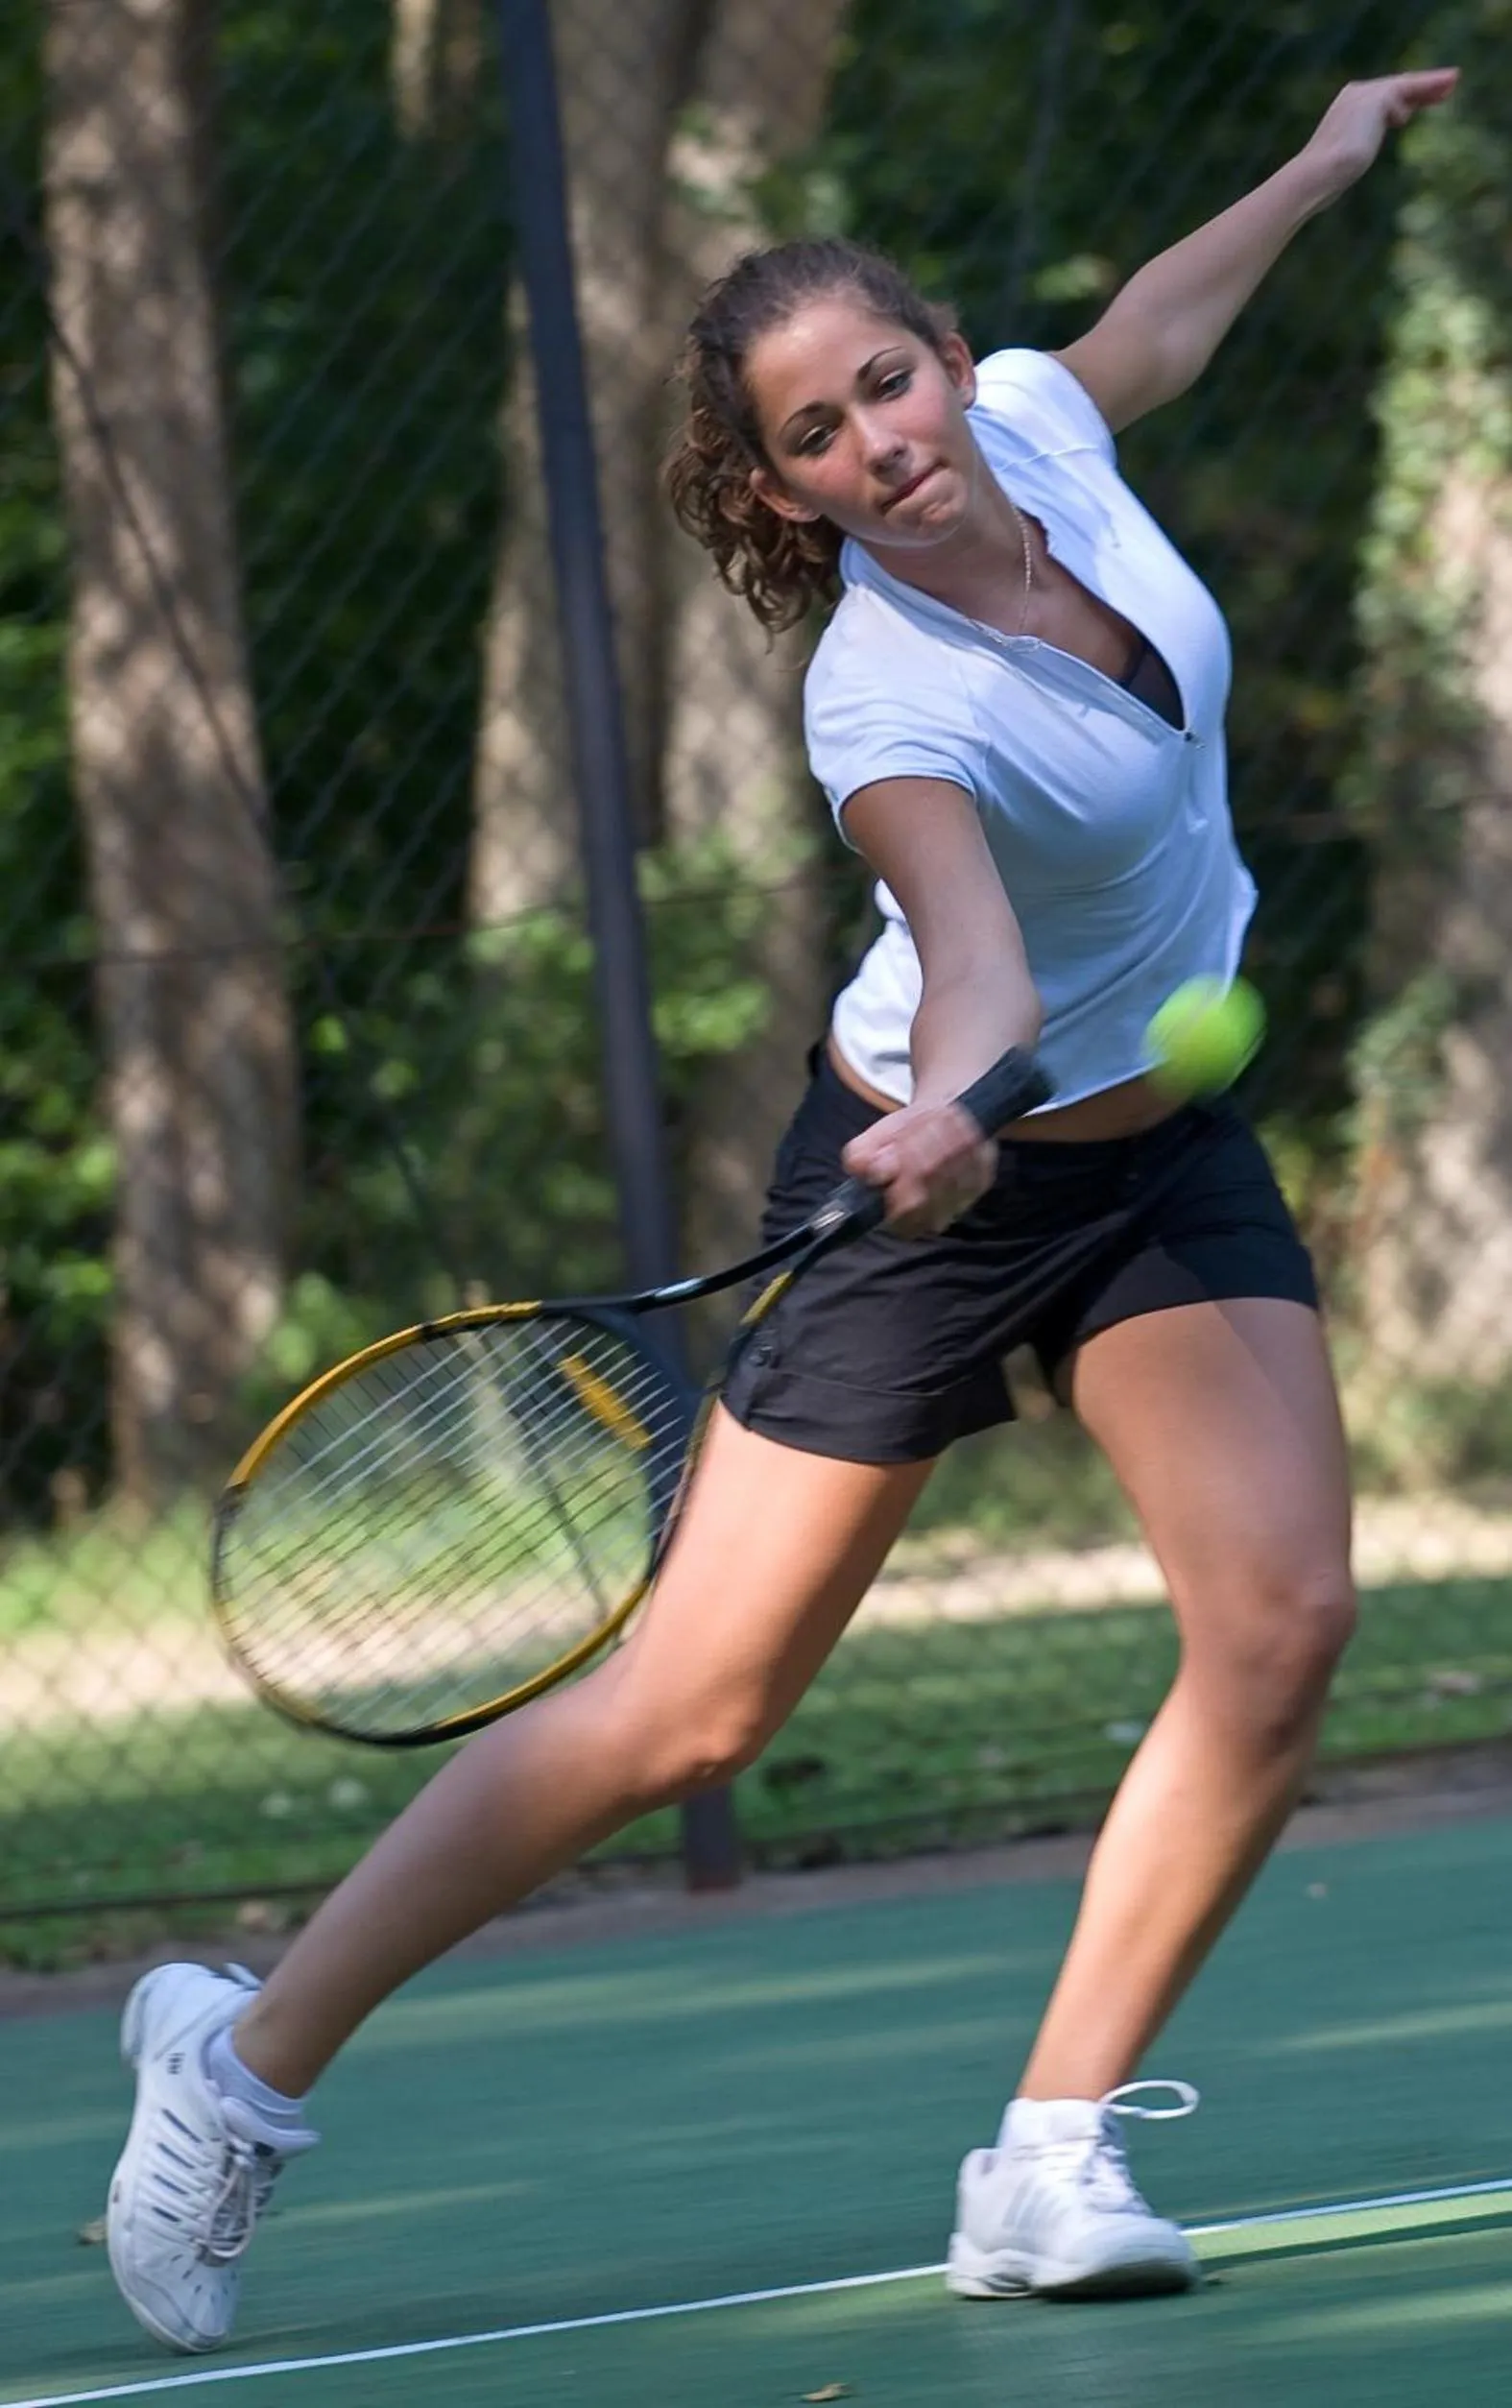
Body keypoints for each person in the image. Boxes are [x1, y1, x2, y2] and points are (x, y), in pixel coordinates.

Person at [105, 65, 1458, 2353]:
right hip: (929, 1175)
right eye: (818, 437)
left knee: (1281, 1621)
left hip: (1159, 1164)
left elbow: (1151, 325)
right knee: (694, 1713)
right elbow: (980, 952)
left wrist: (1318, 167)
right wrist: (945, 1112)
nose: (882, 445)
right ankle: (235, 2061)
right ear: (778, 484)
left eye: (888, 384)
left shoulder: (1033, 426)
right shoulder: (880, 696)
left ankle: (1048, 2155)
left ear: (941, 360)